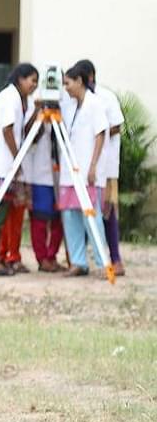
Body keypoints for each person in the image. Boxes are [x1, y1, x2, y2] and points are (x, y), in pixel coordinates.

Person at [0, 63, 38, 276]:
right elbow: (7, 129)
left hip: (1, 166)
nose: (34, 85)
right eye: (32, 80)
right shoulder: (11, 98)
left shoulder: (14, 98)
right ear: (20, 78)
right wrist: (17, 157)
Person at [58, 63, 110, 277]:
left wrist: (93, 166)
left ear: (79, 81)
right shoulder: (70, 105)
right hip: (69, 171)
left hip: (87, 171)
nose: (66, 88)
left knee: (92, 218)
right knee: (70, 217)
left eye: (68, 83)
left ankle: (102, 262)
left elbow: (100, 134)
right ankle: (78, 262)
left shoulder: (95, 104)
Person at [75, 59, 125, 276]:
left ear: (89, 77)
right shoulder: (77, 100)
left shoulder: (105, 97)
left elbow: (116, 126)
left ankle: (115, 259)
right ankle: (84, 260)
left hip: (106, 165)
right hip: (84, 166)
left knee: (107, 211)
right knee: (86, 212)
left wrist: (98, 132)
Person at [24, 91, 65, 273]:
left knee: (58, 219)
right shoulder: (35, 108)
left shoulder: (65, 108)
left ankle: (52, 256)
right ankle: (42, 258)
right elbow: (29, 135)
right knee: (40, 220)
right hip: (40, 176)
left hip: (61, 175)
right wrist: (39, 110)